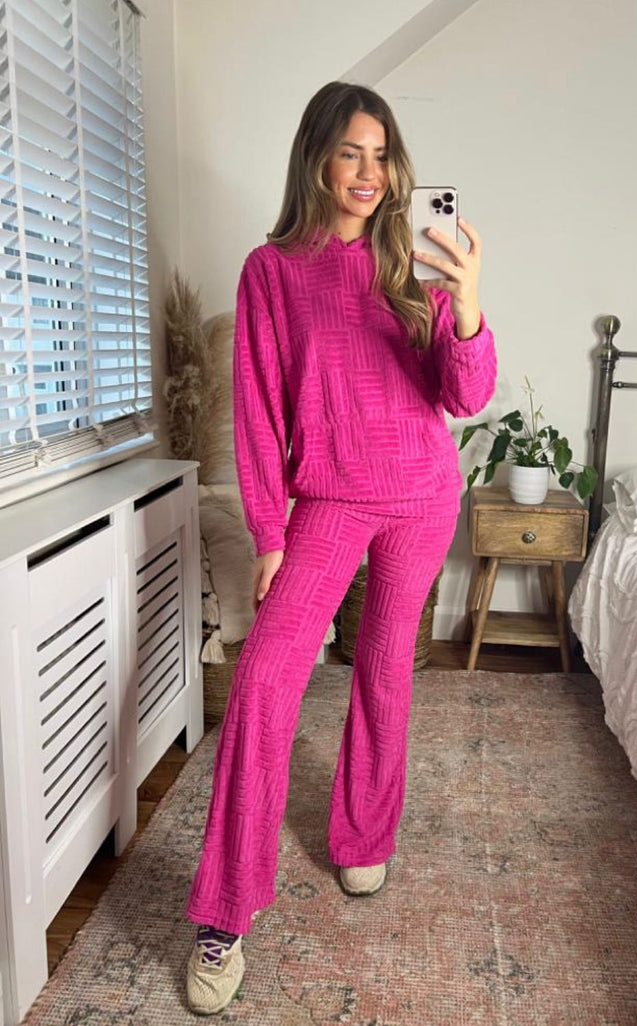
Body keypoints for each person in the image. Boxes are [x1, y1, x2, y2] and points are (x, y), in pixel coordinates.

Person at [184, 80, 497, 1015]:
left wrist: (467, 300)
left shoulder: (416, 262)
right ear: (317, 158)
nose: (369, 173)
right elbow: (257, 411)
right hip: (327, 501)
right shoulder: (272, 270)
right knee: (264, 681)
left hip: (422, 497)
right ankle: (224, 914)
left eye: (382, 155)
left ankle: (363, 837)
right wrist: (270, 531)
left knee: (385, 670)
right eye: (351, 152)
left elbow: (464, 395)